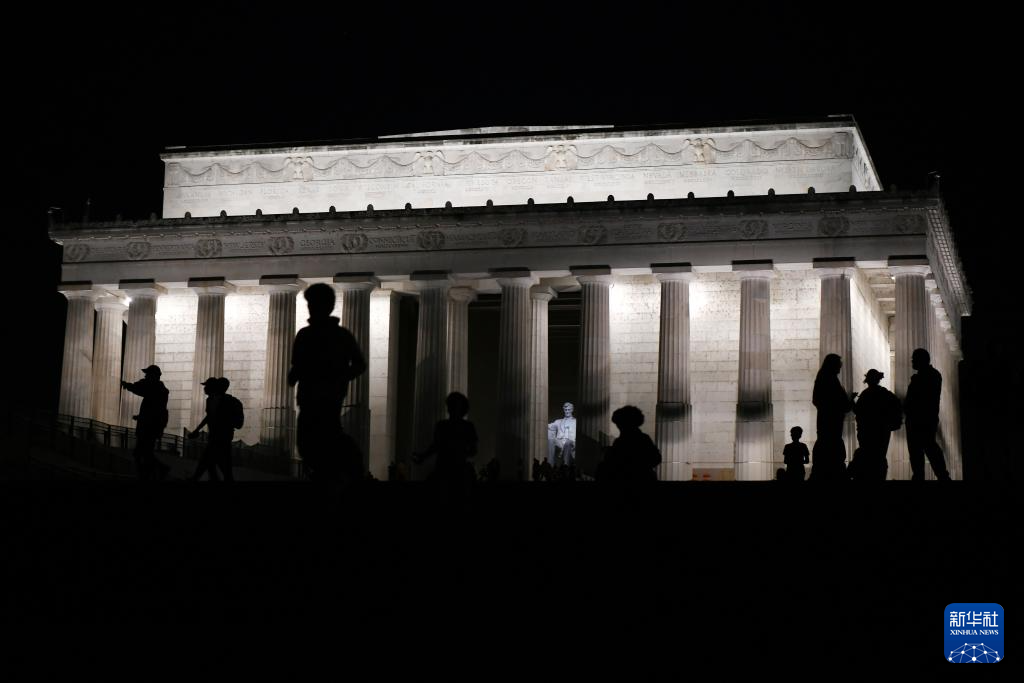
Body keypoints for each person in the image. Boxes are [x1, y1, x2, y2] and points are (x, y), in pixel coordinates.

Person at [287, 283, 367, 484]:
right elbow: (297, 366)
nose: (311, 308)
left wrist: (339, 377)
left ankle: (335, 472)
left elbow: (359, 364)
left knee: (321, 437)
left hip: (324, 396)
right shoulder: (330, 335)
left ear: (327, 306)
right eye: (310, 304)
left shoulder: (316, 335)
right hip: (315, 396)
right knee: (312, 441)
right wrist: (342, 377)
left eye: (314, 304)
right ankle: (334, 472)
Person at [413, 392, 478, 492]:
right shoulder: (467, 427)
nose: (450, 408)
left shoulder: (442, 426)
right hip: (453, 469)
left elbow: (435, 446)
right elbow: (473, 450)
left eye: (452, 405)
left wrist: (423, 456)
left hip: (447, 469)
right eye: (450, 405)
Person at [904, 348, 951, 481]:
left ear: (922, 360)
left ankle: (940, 475)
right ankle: (938, 475)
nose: (912, 361)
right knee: (920, 449)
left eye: (914, 359)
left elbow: (920, 399)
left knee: (927, 447)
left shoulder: (928, 376)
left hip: (921, 419)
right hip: (922, 419)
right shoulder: (931, 375)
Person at [810, 354, 855, 481]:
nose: (840, 368)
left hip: (827, 419)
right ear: (833, 365)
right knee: (832, 446)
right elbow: (839, 402)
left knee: (827, 444)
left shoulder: (823, 378)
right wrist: (847, 402)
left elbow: (817, 400)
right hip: (831, 421)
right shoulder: (830, 379)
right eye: (838, 366)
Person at [121, 365, 171, 480]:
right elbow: (153, 408)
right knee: (145, 452)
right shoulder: (158, 389)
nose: (145, 376)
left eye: (148, 374)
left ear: (154, 376)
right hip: (150, 425)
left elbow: (142, 390)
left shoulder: (156, 388)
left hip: (149, 427)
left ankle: (154, 471)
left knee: (142, 453)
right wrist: (140, 417)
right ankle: (152, 472)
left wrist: (128, 385)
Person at [188, 377, 243, 482]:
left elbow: (216, 418)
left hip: (222, 438)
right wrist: (197, 430)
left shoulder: (228, 401)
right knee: (216, 464)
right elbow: (209, 417)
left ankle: (195, 479)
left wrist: (197, 430)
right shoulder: (210, 400)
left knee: (208, 461)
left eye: (207, 386)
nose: (204, 388)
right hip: (215, 436)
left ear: (214, 387)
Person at [850, 369, 900, 481]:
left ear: (868, 381)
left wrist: (852, 400)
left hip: (866, 431)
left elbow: (857, 410)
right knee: (880, 457)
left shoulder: (865, 394)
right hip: (882, 431)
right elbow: (897, 403)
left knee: (868, 456)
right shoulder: (884, 393)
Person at [599, 405, 661, 482]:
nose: (618, 427)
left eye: (619, 424)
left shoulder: (621, 442)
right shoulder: (643, 438)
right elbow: (656, 458)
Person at [546, 402, 577, 468]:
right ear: (564, 410)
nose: (567, 411)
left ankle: (566, 466)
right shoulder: (558, 421)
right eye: (565, 410)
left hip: (571, 442)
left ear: (572, 410)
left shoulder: (576, 421)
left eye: (569, 410)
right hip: (560, 441)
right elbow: (548, 426)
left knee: (568, 443)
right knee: (551, 440)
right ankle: (549, 465)